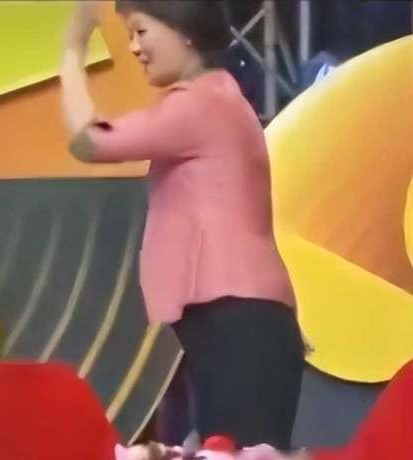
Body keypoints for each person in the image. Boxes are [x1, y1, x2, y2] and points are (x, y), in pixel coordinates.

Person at [60, 1, 304, 449]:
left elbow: (87, 141)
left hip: (240, 326)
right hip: (235, 326)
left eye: (140, 31)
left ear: (185, 30)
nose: (134, 48)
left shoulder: (201, 103)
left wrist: (73, 47)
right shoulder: (215, 97)